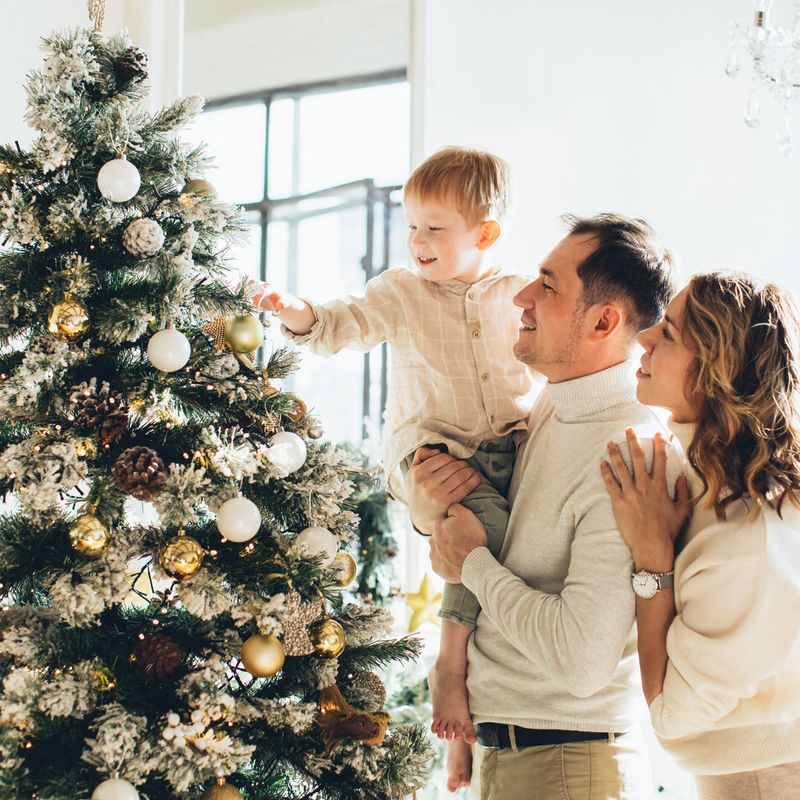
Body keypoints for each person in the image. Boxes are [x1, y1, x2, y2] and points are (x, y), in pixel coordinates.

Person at [250, 147, 533, 760]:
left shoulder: (517, 294)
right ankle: (449, 667)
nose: (417, 240)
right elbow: (340, 323)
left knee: (512, 555)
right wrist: (293, 311)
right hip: (426, 451)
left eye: (435, 228)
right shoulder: (403, 292)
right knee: (484, 536)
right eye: (411, 225)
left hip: (508, 449)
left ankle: (478, 717)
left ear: (485, 233)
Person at [407, 212, 678, 797]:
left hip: (564, 766)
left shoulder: (629, 453)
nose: (523, 297)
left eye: (549, 285)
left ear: (605, 321)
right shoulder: (556, 405)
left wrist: (471, 564)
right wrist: (432, 508)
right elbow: (502, 536)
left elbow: (581, 663)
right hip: (518, 754)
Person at [600, 272, 800, 800]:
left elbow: (669, 713)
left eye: (667, 333)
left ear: (713, 372)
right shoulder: (711, 484)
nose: (643, 338)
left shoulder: (747, 539)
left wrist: (652, 560)